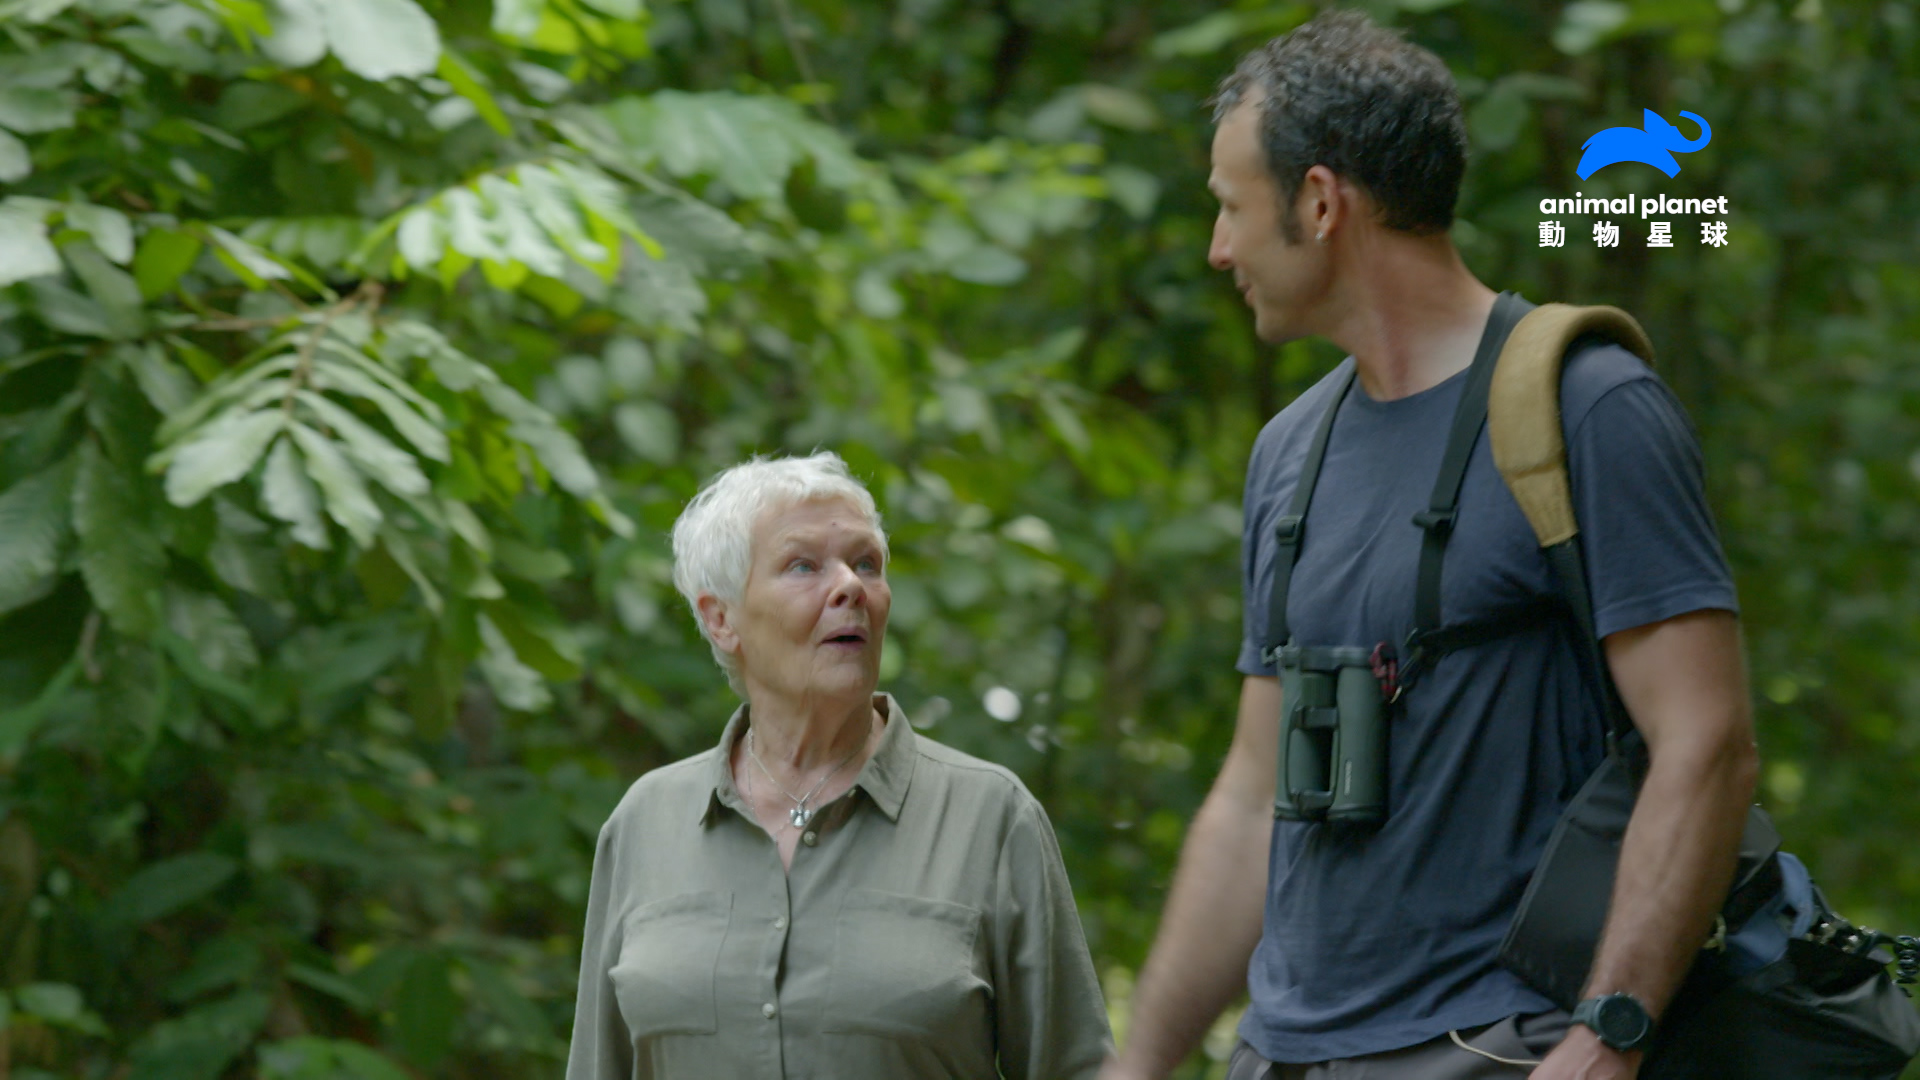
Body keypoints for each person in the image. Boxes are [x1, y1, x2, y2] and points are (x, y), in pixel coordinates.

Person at [1100, 12, 1757, 1080]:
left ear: (1318, 203)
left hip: (1497, 1046)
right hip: (1282, 1054)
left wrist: (1610, 1036)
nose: (1219, 249)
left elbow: (1707, 744)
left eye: (1229, 209)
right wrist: (1140, 1067)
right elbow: (1251, 792)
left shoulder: (1589, 406)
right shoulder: (1287, 455)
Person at [565, 451, 1111, 1080]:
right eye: (803, 565)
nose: (850, 586)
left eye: (866, 563)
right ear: (721, 619)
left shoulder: (990, 816)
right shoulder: (645, 821)